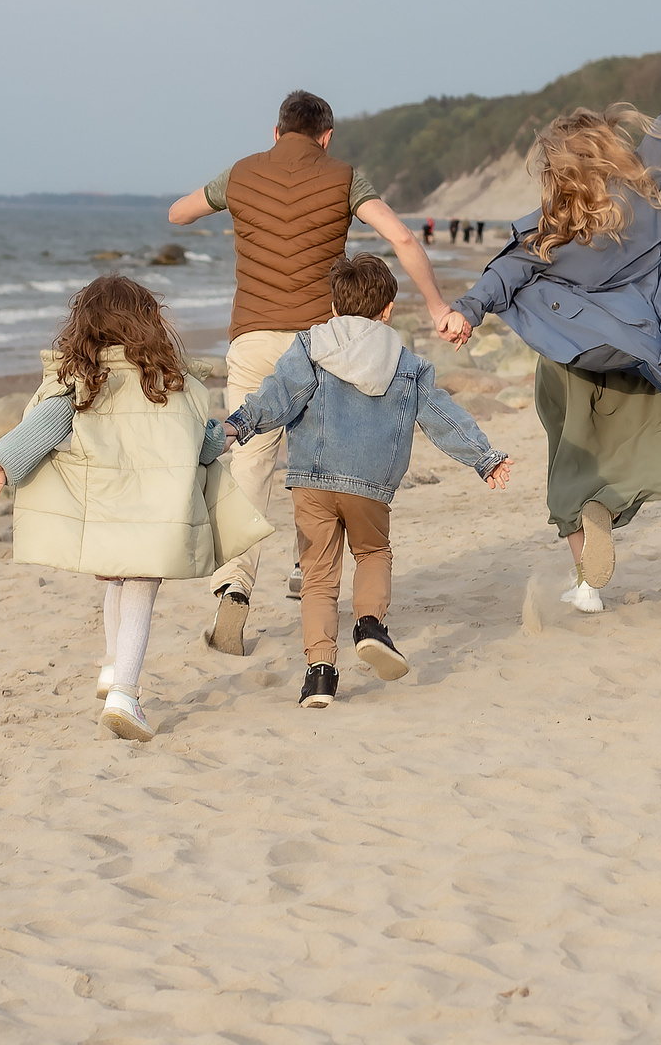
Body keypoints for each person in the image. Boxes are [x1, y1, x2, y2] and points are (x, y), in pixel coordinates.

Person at [443, 19, 661, 613]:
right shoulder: (640, 190)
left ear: (557, 171)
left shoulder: (551, 227)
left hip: (570, 360)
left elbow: (505, 274)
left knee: (571, 456)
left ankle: (587, 583)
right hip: (637, 352)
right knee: (632, 452)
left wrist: (467, 311)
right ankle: (604, 519)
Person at [169, 91, 466, 653]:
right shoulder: (344, 177)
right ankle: (304, 567)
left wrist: (228, 201)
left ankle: (234, 587)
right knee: (319, 458)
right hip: (320, 344)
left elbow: (178, 213)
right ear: (326, 137)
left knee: (250, 464)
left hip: (253, 338)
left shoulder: (241, 174)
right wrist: (435, 305)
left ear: (276, 131)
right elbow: (402, 236)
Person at [0, 276, 268, 741]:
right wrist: (224, 438)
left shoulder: (84, 382)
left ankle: (113, 668)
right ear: (148, 323)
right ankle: (125, 695)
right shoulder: (170, 383)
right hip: (155, 516)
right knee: (139, 594)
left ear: (85, 326)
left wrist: (3, 464)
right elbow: (200, 443)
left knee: (116, 580)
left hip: (106, 511)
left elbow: (43, 426)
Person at [222, 254, 512, 707]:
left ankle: (320, 674)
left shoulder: (309, 347)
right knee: (373, 552)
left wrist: (239, 424)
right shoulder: (408, 365)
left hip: (312, 481)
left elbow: (278, 396)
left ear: (334, 307)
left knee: (318, 577)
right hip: (370, 486)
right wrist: (484, 458)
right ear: (388, 310)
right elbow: (442, 417)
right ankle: (371, 625)